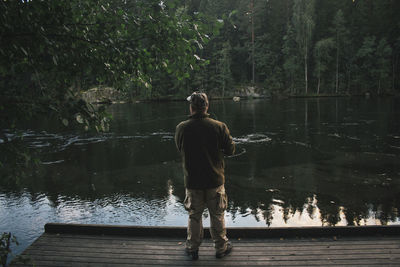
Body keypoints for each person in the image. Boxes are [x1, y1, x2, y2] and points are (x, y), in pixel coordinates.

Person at [175, 91, 235, 260]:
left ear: (192, 107)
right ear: (206, 106)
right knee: (217, 215)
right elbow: (231, 150)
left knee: (194, 216)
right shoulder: (219, 126)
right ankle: (221, 249)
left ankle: (193, 249)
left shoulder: (182, 128)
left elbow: (179, 148)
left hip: (193, 182)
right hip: (215, 181)